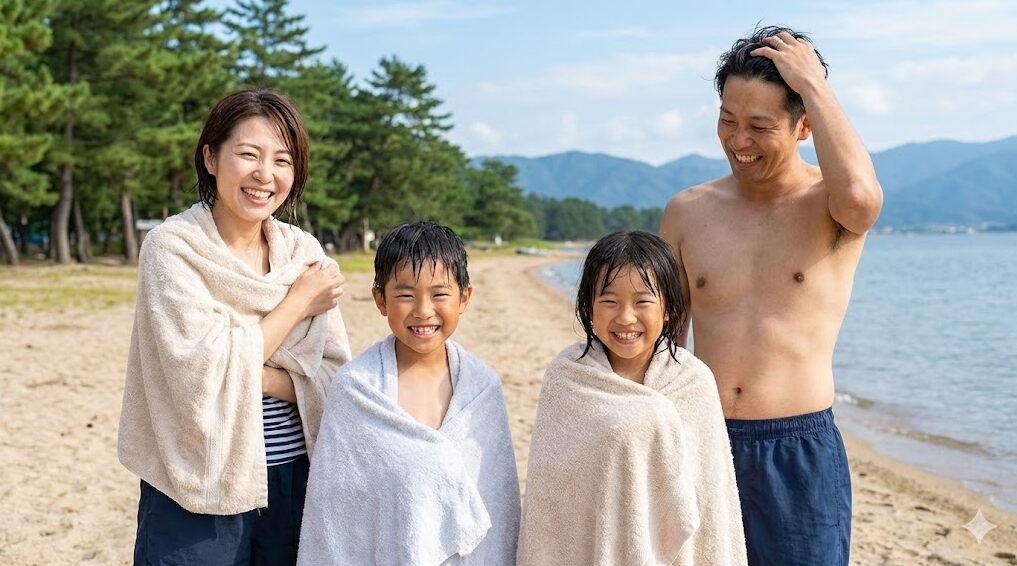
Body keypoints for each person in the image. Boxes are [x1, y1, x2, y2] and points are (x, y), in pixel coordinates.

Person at [659, 26, 884, 565]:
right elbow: (664, 338)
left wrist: (815, 83)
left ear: (804, 124)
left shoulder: (831, 209)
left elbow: (861, 195)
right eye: (728, 121)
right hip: (702, 436)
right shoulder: (688, 211)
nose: (739, 141)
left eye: (760, 126)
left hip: (798, 449)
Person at [117, 89, 352, 564]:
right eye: (248, 154)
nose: (265, 175)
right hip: (198, 483)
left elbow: (334, 376)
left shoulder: (303, 253)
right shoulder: (173, 248)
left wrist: (247, 364)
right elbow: (196, 373)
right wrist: (298, 302)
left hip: (294, 480)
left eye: (283, 160)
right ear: (210, 156)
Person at [297, 221, 520, 565]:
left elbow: (499, 503)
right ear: (380, 299)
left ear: (465, 297)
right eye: (405, 295)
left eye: (439, 294)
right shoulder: (357, 387)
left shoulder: (482, 387)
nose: (423, 311)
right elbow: (333, 514)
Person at [518, 231, 747, 566]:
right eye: (609, 302)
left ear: (669, 309)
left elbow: (713, 500)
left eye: (642, 302)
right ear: (588, 306)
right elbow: (551, 500)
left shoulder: (693, 382)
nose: (625, 317)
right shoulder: (567, 378)